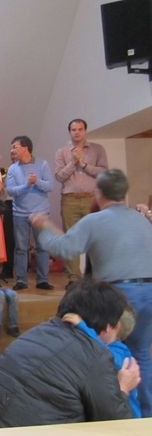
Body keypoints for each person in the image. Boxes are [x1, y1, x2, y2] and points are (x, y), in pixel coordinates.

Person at [31, 168, 152, 417]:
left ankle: (116, 409)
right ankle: (147, 414)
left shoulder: (95, 221)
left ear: (98, 193)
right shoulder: (140, 219)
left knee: (110, 352)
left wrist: (44, 226)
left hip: (119, 295)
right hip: (149, 290)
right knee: (141, 353)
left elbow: (65, 249)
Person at [0, 279, 140, 431]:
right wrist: (123, 388)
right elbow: (116, 424)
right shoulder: (94, 354)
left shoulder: (38, 332)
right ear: (108, 326)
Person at [54, 118, 108, 285]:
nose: (77, 132)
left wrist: (83, 164)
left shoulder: (97, 149)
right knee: (71, 238)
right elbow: (59, 176)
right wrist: (73, 162)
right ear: (69, 132)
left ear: (85, 131)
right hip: (69, 199)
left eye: (80, 129)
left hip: (92, 198)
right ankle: (74, 278)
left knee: (95, 237)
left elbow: (104, 172)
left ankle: (96, 276)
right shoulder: (62, 151)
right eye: (73, 130)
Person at [62, 309, 141, 418]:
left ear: (113, 327)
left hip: (129, 416)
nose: (96, 329)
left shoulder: (121, 352)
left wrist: (83, 327)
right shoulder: (115, 349)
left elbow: (106, 355)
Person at [5, 136, 54, 291]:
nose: (12, 150)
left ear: (25, 148)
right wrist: (27, 185)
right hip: (20, 213)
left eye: (15, 147)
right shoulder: (13, 168)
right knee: (21, 248)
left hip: (41, 213)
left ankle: (43, 280)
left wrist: (36, 181)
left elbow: (50, 186)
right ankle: (21, 280)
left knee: (43, 246)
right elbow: (11, 190)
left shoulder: (42, 164)